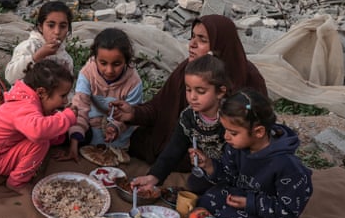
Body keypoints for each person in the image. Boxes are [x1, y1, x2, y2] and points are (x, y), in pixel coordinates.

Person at [109, 14, 267, 167]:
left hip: (211, 156)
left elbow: (255, 134)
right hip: (173, 142)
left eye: (202, 40)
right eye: (192, 37)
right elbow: (159, 108)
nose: (192, 44)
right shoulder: (187, 68)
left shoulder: (247, 79)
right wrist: (133, 113)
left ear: (220, 45)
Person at [191, 88, 312, 218]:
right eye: (225, 130)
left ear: (259, 132)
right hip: (243, 196)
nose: (226, 137)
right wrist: (208, 165)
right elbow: (229, 177)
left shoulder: (287, 166)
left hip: (269, 211)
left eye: (233, 133)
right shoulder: (235, 147)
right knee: (206, 201)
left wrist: (251, 203)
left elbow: (288, 209)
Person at [130, 54, 228, 195]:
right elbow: (173, 150)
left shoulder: (229, 119)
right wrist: (154, 177)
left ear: (220, 92)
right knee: (194, 186)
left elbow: (241, 159)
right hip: (205, 172)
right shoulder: (188, 117)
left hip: (232, 173)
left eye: (200, 91)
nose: (192, 97)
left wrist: (213, 168)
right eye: (188, 90)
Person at [0, 59, 78, 191]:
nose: (65, 101)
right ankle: (17, 183)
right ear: (41, 92)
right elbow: (38, 132)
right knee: (40, 142)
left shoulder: (27, 98)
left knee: (47, 126)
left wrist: (58, 133)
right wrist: (67, 117)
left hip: (4, 151)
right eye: (63, 96)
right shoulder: (24, 107)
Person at [70, 28, 143, 161]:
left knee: (117, 147)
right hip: (92, 117)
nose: (109, 70)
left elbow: (131, 113)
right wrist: (74, 141)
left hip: (119, 121)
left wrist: (115, 127)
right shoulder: (87, 73)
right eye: (103, 63)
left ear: (126, 61)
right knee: (83, 138)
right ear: (95, 58)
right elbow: (80, 106)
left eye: (116, 64)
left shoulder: (134, 82)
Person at [5, 1, 74, 84]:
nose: (57, 32)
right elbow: (10, 77)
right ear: (40, 27)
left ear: (68, 29)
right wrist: (37, 56)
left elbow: (66, 89)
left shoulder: (66, 59)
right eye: (51, 25)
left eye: (63, 26)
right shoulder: (28, 47)